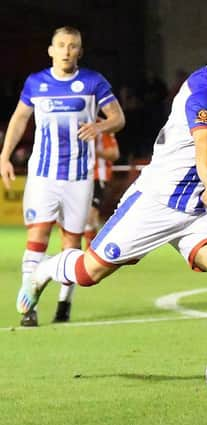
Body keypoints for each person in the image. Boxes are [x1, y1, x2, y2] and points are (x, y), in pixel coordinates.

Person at [19, 20, 207, 385]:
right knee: (87, 273)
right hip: (156, 204)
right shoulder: (206, 93)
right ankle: (45, 271)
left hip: (193, 211)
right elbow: (204, 145)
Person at [1, 26, 125, 326]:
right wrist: (4, 155)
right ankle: (29, 308)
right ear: (51, 50)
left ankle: (63, 305)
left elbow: (118, 118)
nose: (67, 51)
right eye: (61, 45)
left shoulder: (93, 82)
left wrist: (100, 127)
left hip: (80, 177)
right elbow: (19, 118)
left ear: (79, 52)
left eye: (73, 46)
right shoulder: (36, 83)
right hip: (43, 176)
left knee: (72, 242)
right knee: (37, 236)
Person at [83, 125, 120, 247]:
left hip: (97, 176)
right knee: (76, 218)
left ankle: (90, 252)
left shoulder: (101, 126)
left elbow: (114, 154)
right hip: (77, 177)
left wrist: (92, 151)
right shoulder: (76, 121)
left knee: (90, 216)